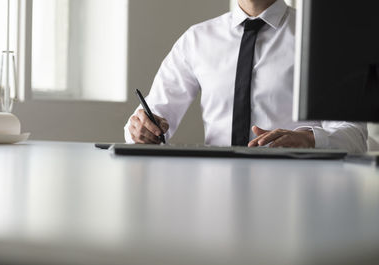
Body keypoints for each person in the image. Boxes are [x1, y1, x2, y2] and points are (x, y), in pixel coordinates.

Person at [124, 0, 367, 153]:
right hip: (215, 197)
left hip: (297, 194)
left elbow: (355, 136)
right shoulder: (196, 40)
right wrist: (140, 130)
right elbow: (147, 121)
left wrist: (309, 139)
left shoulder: (322, 38)